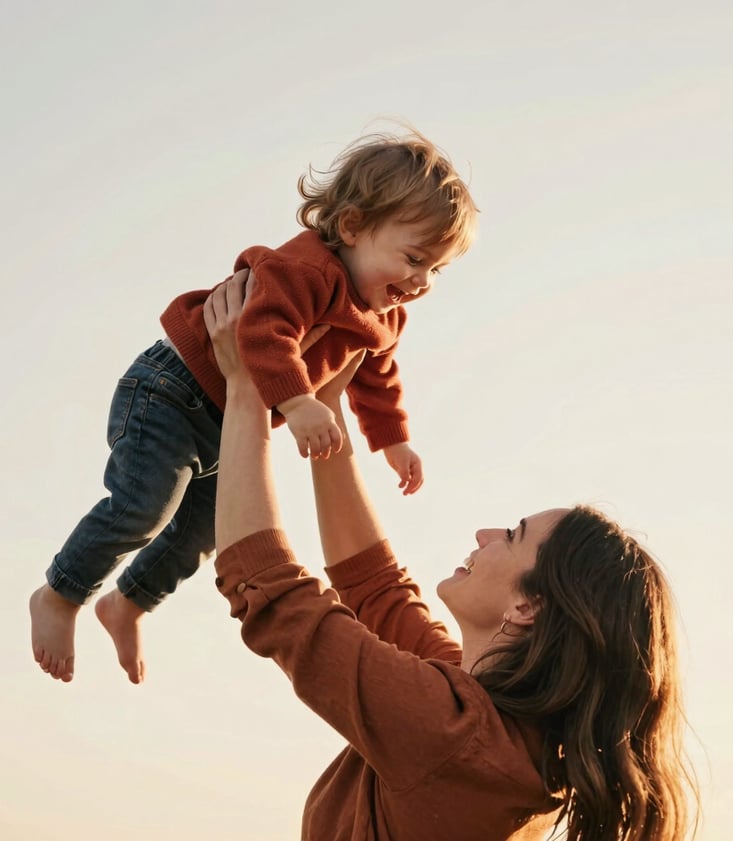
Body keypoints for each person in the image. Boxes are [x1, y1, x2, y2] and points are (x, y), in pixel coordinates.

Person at [207, 272, 698, 841]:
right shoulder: (497, 726)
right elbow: (376, 591)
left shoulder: (454, 735)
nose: (485, 533)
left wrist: (244, 391)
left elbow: (270, 593)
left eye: (512, 535)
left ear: (528, 607)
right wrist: (331, 408)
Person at [29, 129, 478, 684]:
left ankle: (128, 603)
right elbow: (262, 332)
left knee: (203, 537)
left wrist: (394, 440)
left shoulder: (385, 317)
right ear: (353, 227)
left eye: (436, 269)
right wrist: (300, 400)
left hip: (226, 422)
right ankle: (60, 592)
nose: (421, 281)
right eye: (414, 258)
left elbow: (377, 377)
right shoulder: (307, 269)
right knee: (145, 505)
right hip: (173, 391)